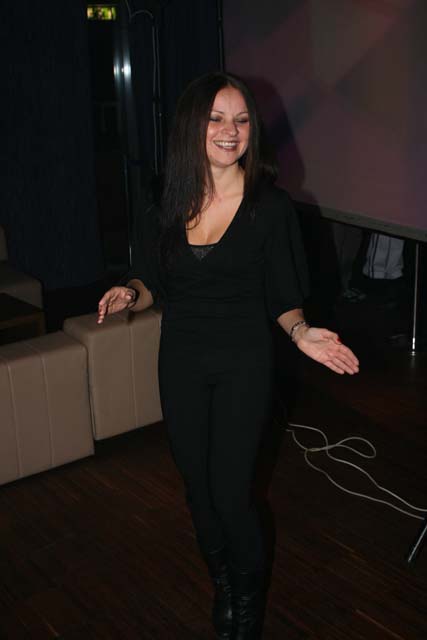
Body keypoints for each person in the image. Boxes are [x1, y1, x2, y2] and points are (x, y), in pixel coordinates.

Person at [97, 72, 359, 640]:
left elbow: (283, 297)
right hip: (181, 362)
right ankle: (224, 580)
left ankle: (247, 607)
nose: (230, 130)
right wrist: (129, 294)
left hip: (244, 363)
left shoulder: (271, 207)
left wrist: (300, 332)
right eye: (216, 118)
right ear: (192, 126)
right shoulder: (164, 201)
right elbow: (150, 281)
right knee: (197, 488)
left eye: (241, 120)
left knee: (232, 494)